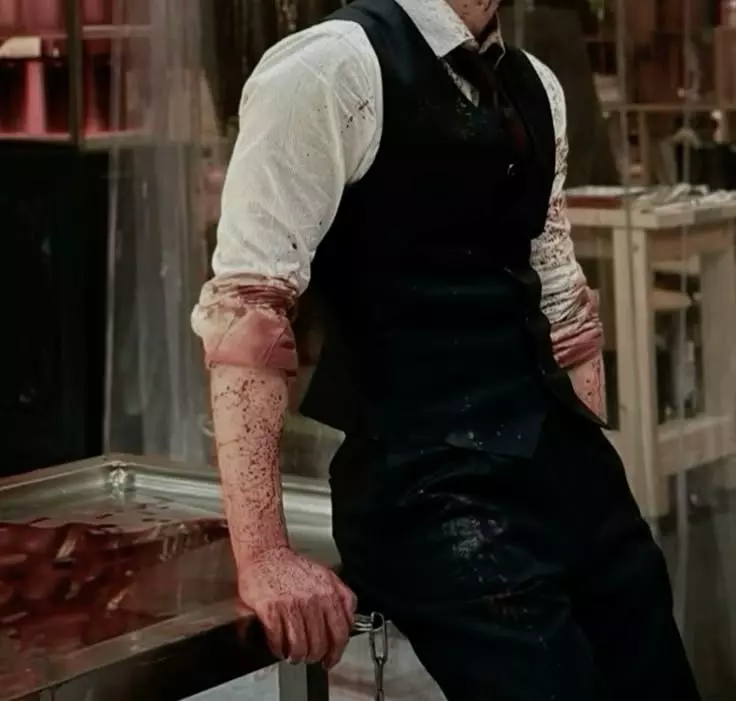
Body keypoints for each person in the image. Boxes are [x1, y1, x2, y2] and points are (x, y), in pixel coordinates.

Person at [192, 0, 702, 697]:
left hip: (564, 466)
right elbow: (248, 314)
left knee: (659, 673)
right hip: (426, 486)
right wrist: (264, 554)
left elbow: (563, 303)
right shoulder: (330, 68)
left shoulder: (535, 84)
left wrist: (592, 460)